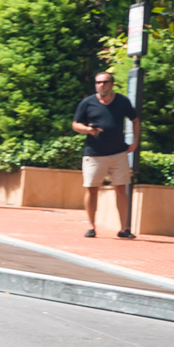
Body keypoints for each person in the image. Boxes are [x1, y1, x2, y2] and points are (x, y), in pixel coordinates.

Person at [72, 70, 140, 239]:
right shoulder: (87, 103)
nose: (101, 85)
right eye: (98, 82)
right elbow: (75, 124)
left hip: (118, 153)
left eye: (105, 82)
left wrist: (136, 142)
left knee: (121, 189)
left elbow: (135, 120)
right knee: (92, 189)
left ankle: (124, 229)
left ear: (112, 84)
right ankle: (91, 226)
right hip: (94, 154)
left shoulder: (122, 101)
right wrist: (88, 130)